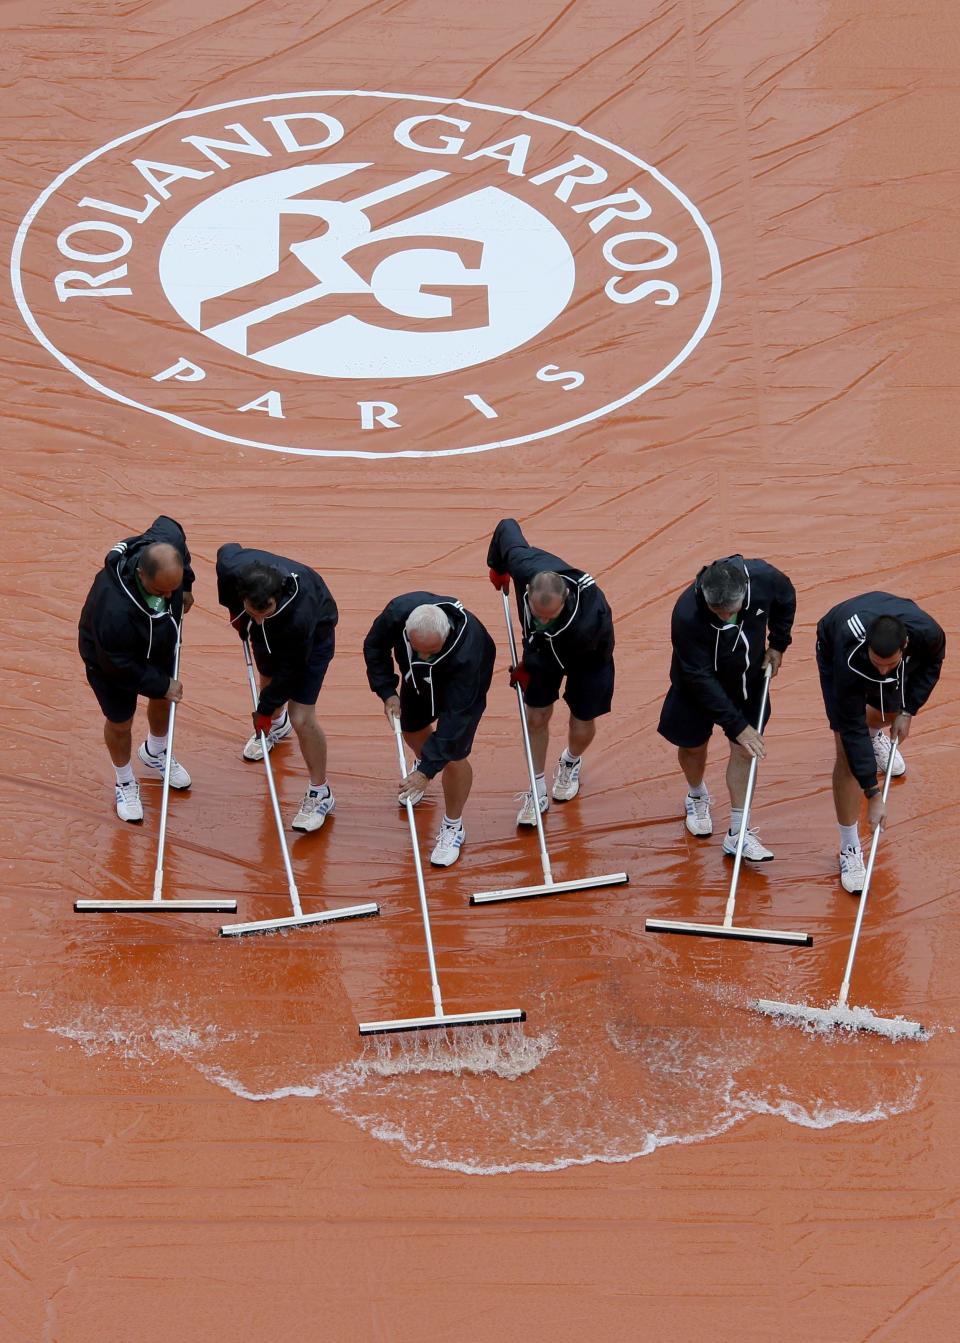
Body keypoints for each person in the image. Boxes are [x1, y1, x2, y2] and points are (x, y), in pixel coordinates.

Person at [658, 555, 796, 861]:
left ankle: (738, 832)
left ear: (745, 592)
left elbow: (786, 596)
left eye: (730, 612)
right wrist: (737, 725)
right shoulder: (685, 615)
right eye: (716, 612)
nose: (723, 618)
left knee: (745, 750)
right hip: (696, 687)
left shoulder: (764, 578)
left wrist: (778, 643)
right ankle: (696, 794)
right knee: (693, 747)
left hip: (748, 680)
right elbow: (700, 678)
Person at [486, 518, 615, 826]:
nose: (541, 620)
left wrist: (527, 666)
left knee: (581, 722)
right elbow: (507, 527)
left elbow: (552, 653)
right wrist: (497, 566)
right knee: (536, 716)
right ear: (528, 589)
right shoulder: (524, 564)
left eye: (550, 616)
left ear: (565, 600)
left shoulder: (588, 620)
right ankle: (537, 786)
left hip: (589, 659)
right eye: (537, 614)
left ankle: (570, 761)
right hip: (543, 651)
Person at [816, 592, 945, 893]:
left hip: (890, 635)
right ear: (868, 650)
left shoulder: (928, 634)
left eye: (889, 664)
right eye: (877, 663)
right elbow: (850, 728)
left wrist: (909, 709)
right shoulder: (848, 656)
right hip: (833, 642)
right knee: (847, 754)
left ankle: (877, 739)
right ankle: (849, 848)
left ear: (905, 646)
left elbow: (933, 665)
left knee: (888, 710)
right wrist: (872, 793)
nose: (883, 670)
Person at [363, 594, 496, 867]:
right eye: (417, 648)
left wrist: (427, 771)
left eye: (431, 651)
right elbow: (374, 646)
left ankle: (453, 826)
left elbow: (454, 724)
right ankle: (426, 761)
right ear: (407, 632)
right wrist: (387, 691)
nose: (424, 654)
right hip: (417, 678)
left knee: (454, 756)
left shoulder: (471, 652)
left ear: (445, 637)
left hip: (460, 685)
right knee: (410, 730)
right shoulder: (397, 613)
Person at [78, 516, 194, 823]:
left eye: (174, 588)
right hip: (109, 661)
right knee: (120, 721)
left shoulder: (167, 544)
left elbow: (174, 531)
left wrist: (187, 586)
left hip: (157, 639)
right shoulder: (112, 608)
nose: (169, 597)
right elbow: (118, 665)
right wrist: (160, 683)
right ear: (141, 574)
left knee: (162, 695)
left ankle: (155, 751)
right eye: (162, 590)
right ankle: (125, 780)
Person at [216, 544, 338, 833]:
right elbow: (225, 552)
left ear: (277, 597)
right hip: (271, 622)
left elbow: (290, 674)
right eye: (252, 610)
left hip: (315, 639)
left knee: (301, 717)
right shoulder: (234, 569)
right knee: (266, 672)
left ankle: (321, 793)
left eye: (265, 610)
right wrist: (237, 615)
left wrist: (263, 712)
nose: (258, 617)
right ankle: (277, 727)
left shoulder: (301, 616)